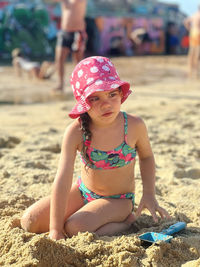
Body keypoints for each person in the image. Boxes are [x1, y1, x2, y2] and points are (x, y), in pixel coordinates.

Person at [21, 56, 170, 240]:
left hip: (118, 200)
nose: (106, 104)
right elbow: (63, 178)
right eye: (95, 98)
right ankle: (84, 217)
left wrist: (149, 194)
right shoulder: (76, 132)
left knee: (75, 228)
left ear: (120, 93)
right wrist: (55, 230)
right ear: (83, 103)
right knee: (30, 221)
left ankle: (126, 222)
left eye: (111, 94)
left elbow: (146, 157)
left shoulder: (133, 125)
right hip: (84, 191)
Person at [54, 0, 87, 92]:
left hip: (77, 32)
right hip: (65, 32)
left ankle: (81, 85)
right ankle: (60, 84)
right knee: (59, 58)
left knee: (78, 61)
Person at [184, 6, 200, 78]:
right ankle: (196, 70)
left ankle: (190, 69)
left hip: (193, 33)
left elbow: (185, 21)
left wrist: (189, 29)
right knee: (197, 53)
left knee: (191, 52)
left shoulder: (194, 14)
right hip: (198, 34)